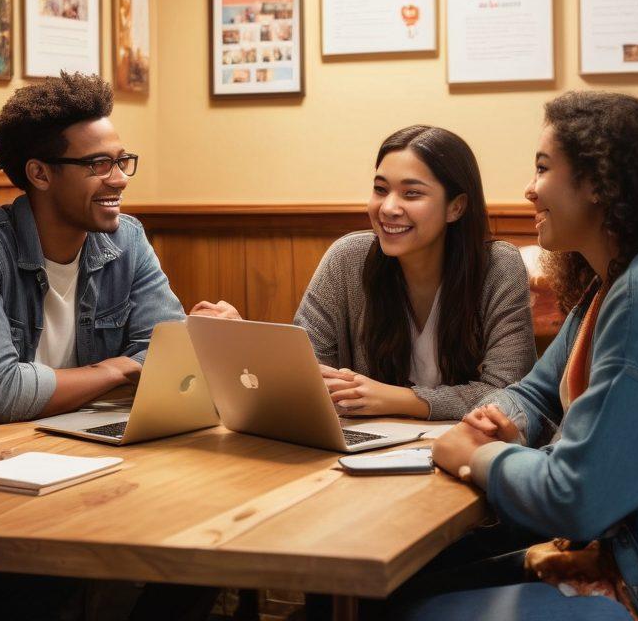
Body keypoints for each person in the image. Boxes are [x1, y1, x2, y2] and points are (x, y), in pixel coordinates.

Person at [409, 91, 638, 620]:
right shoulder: (614, 286)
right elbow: (535, 393)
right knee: (407, 584)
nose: (529, 188)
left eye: (543, 168)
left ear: (599, 184)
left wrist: (476, 456)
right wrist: (498, 421)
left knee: (407, 607)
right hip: (629, 559)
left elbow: (580, 498)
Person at [195, 126, 536, 421]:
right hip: (369, 446)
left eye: (412, 193)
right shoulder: (348, 258)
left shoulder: (498, 267)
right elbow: (309, 371)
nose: (388, 207)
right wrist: (246, 342)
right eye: (380, 189)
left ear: (456, 207)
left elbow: (508, 391)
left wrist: (397, 399)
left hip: (467, 448)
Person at [0, 72, 186, 425]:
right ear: (40, 174)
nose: (120, 179)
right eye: (98, 164)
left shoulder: (128, 240)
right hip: (4, 447)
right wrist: (115, 370)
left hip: (93, 434)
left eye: (121, 161)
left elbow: (170, 361)